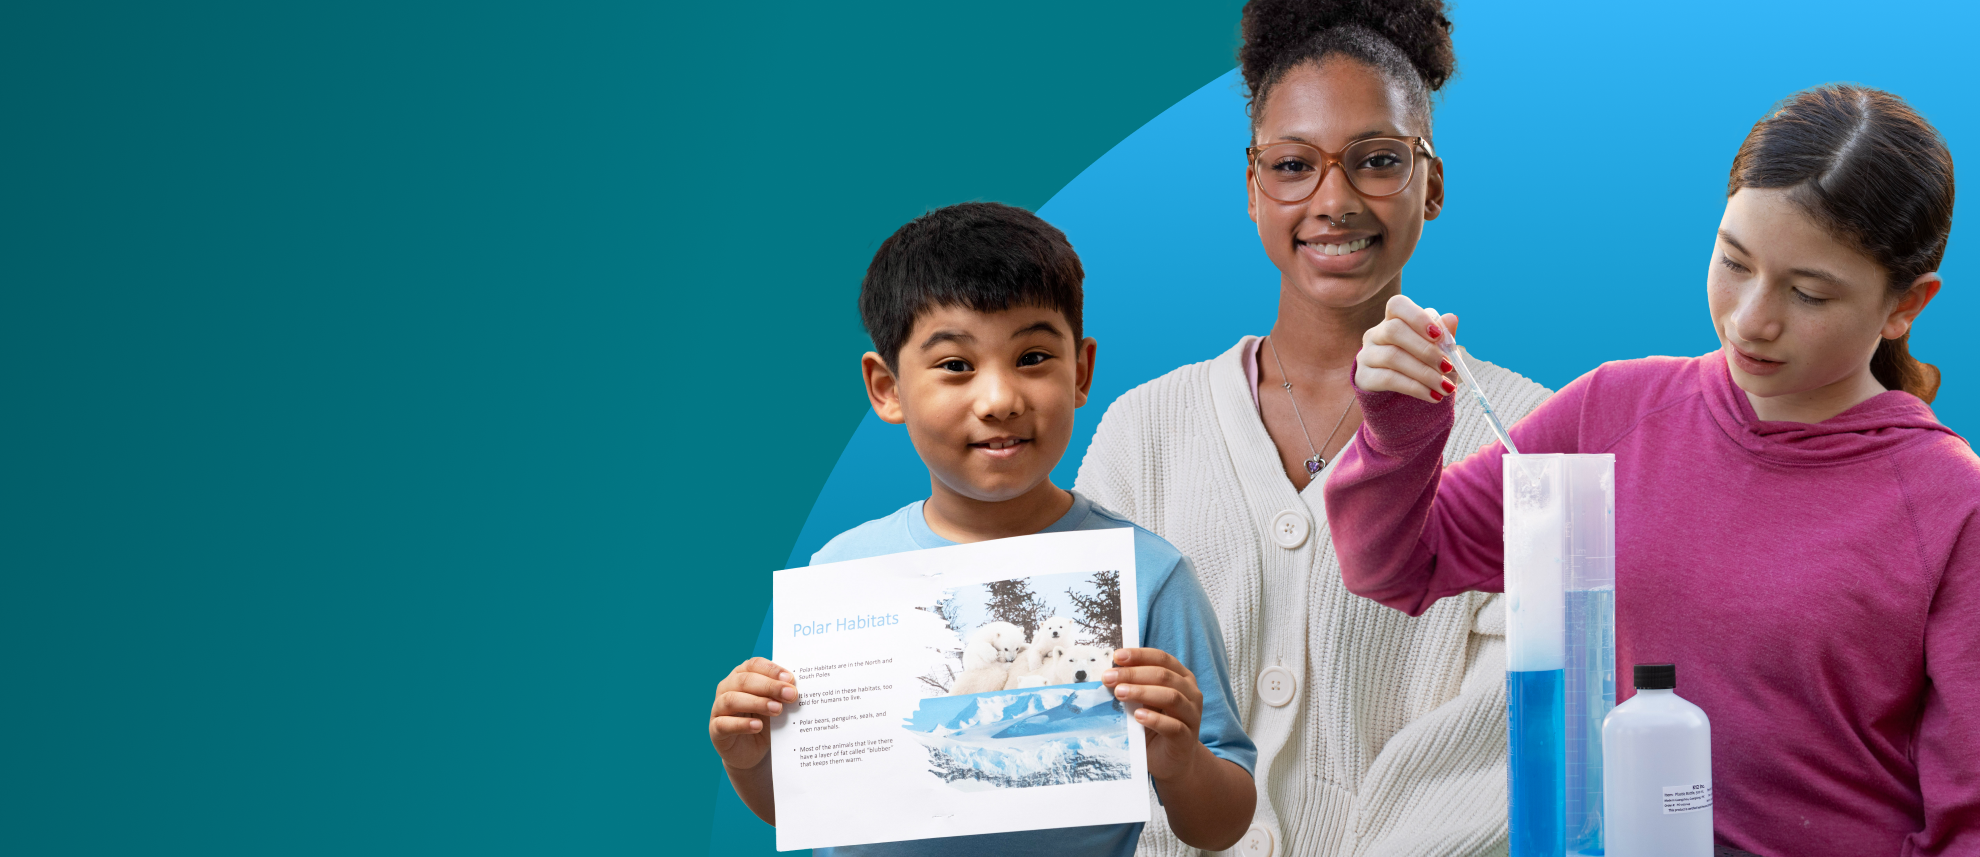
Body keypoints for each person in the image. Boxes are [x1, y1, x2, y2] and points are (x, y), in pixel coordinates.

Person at [1328, 84, 1976, 857]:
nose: (1751, 318)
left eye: (1808, 293)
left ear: (1907, 305)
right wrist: (1400, 431)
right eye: (1734, 261)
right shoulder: (1614, 411)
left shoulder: (1948, 504)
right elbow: (1397, 564)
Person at [1076, 1, 1548, 853]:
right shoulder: (1143, 431)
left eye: (1375, 161)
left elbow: (1506, 741)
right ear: (1253, 189)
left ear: (1430, 183)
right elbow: (1090, 712)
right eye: (1293, 165)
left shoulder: (1524, 435)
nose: (1333, 200)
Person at [707, 202, 1258, 856]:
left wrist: (1181, 757)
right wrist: (747, 757)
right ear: (887, 388)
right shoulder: (838, 574)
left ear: (1080, 371)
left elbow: (1222, 822)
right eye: (955, 365)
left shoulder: (1150, 574)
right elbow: (810, 803)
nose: (999, 399)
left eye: (1031, 356)